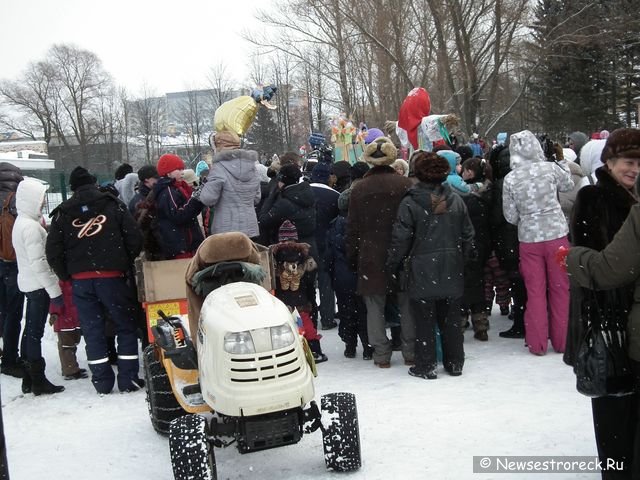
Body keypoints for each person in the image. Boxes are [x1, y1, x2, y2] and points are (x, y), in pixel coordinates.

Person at [565, 128, 640, 479]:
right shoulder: (593, 198)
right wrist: (605, 322)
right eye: (629, 162)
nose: (634, 169)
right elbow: (592, 265)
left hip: (634, 323)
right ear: (609, 163)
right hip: (608, 324)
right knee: (612, 419)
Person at [46, 166, 144, 394]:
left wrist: (67, 275)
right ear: (93, 182)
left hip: (81, 281)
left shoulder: (63, 213)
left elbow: (53, 251)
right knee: (125, 325)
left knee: (93, 330)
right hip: (113, 277)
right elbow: (134, 238)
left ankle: (101, 381)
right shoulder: (113, 204)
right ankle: (128, 378)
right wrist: (123, 262)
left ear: (72, 187)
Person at [386, 152, 475, 379]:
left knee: (424, 319)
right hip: (450, 265)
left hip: (422, 267)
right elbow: (467, 235)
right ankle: (455, 362)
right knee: (451, 319)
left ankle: (426, 365)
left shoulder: (409, 202)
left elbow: (400, 239)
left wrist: (393, 265)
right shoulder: (456, 200)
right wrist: (461, 259)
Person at [502, 130, 574, 355]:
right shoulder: (550, 169)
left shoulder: (510, 179)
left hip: (529, 240)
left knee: (534, 292)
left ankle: (537, 343)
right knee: (561, 289)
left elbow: (510, 216)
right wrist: (560, 160)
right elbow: (569, 185)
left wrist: (528, 216)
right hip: (557, 235)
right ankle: (563, 341)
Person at [346, 137, 414, 368]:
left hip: (370, 255)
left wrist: (353, 256)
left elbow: (352, 228)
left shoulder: (360, 189)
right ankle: (410, 350)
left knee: (374, 308)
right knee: (406, 304)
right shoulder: (405, 185)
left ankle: (381, 354)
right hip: (402, 252)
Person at [12, 178, 65, 396]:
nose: (43, 202)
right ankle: (38, 379)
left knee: (30, 331)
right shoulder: (31, 228)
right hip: (38, 285)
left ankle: (29, 377)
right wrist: (55, 291)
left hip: (28, 282)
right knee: (34, 332)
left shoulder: (21, 222)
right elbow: (39, 263)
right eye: (41, 198)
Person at [327, 166, 373, 360]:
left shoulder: (333, 227)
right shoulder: (363, 225)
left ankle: (350, 344)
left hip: (342, 276)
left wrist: (332, 274)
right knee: (364, 311)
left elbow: (329, 255)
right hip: (361, 274)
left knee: (346, 311)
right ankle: (367, 345)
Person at [271, 221, 327, 363]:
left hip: (281, 300)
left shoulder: (273, 255)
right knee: (305, 324)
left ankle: (286, 354)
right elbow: (310, 277)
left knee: (284, 327)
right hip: (300, 298)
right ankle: (314, 351)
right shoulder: (304, 255)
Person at [488, 140, 526, 338]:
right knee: (527, 281)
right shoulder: (526, 178)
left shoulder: (501, 184)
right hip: (526, 236)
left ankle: (521, 321)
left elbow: (496, 216)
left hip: (509, 238)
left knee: (517, 281)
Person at [198, 131, 261, 240]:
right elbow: (256, 198)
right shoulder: (252, 168)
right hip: (251, 228)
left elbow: (207, 199)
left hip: (226, 231)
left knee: (229, 257)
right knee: (248, 256)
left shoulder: (219, 168)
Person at [459, 157, 493, 340]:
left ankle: (461, 321)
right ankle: (481, 323)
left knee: (464, 284)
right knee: (478, 283)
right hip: (483, 242)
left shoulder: (466, 194)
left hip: (468, 242)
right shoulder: (488, 189)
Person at [0, 162, 25, 378]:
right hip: (11, 261)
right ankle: (9, 358)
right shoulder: (14, 199)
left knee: (2, 310)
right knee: (12, 312)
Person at [154, 154, 204, 259]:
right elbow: (179, 215)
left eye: (182, 169)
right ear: (168, 172)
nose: (182, 172)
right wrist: (195, 199)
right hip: (180, 246)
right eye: (178, 169)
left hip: (186, 244)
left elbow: (190, 212)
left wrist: (199, 200)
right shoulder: (168, 191)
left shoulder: (178, 188)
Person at [309, 162, 339, 330]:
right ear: (328, 177)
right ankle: (327, 318)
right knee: (326, 281)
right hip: (327, 244)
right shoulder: (335, 196)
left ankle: (310, 317)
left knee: (308, 283)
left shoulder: (303, 192)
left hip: (306, 242)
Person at [49, 279, 87, 380]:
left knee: (72, 344)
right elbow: (55, 300)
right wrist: (54, 313)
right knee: (67, 346)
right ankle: (70, 370)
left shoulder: (72, 282)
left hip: (73, 320)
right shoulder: (59, 284)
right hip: (63, 321)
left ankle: (72, 367)